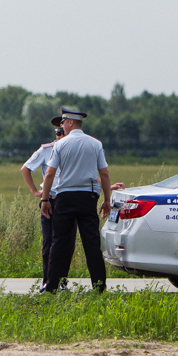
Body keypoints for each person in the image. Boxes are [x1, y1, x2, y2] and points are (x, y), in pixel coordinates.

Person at [40, 108, 112, 293]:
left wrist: (45, 199)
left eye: (63, 122)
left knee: (59, 243)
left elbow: (50, 174)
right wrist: (107, 200)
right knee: (92, 243)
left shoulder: (60, 145)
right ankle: (99, 287)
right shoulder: (95, 144)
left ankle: (52, 287)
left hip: (65, 197)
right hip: (88, 197)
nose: (62, 126)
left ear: (70, 122)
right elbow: (104, 173)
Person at [21, 127, 67, 290]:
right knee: (49, 242)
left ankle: (62, 282)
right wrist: (35, 191)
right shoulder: (47, 150)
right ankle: (48, 282)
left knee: (66, 243)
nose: (60, 135)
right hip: (51, 200)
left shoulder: (74, 149)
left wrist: (107, 187)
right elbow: (25, 168)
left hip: (68, 200)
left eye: (63, 132)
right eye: (58, 133)